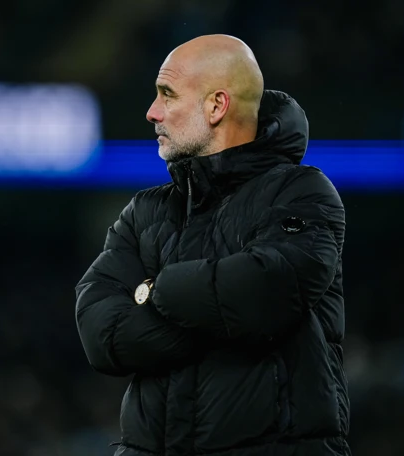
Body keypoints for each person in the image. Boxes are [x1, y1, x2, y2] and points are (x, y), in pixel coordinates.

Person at [75, 34, 350, 456]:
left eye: (167, 94)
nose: (152, 112)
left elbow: (267, 290)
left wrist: (157, 289)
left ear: (217, 106)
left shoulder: (301, 193)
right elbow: (101, 333)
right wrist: (223, 320)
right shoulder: (145, 211)